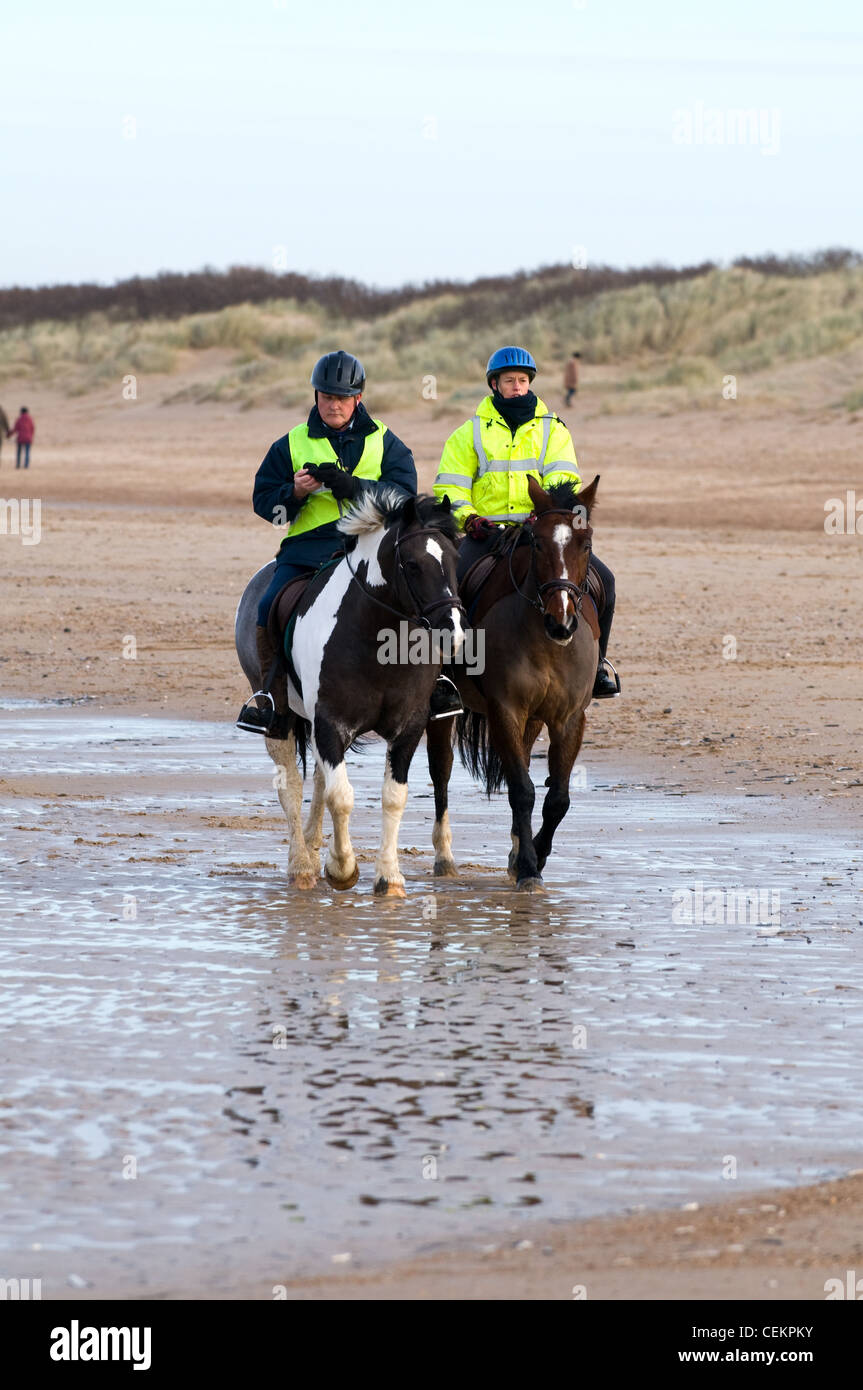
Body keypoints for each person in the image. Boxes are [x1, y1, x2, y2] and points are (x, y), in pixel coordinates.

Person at [241, 349, 462, 735]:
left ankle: (439, 683)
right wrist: (293, 492)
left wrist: (354, 487)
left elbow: (405, 498)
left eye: (342, 398)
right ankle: (271, 698)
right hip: (308, 550)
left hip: (372, 548)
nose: (333, 405)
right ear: (316, 397)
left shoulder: (386, 441)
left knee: (425, 592)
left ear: (358, 398)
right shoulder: (290, 444)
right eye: (326, 397)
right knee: (266, 605)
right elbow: (264, 503)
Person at [433, 346, 619, 699]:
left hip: (541, 529)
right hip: (487, 532)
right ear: (494, 384)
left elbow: (564, 479)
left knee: (604, 582)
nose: (517, 387)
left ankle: (597, 668)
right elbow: (450, 487)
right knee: (448, 587)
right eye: (509, 381)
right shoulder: (467, 433)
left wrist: (547, 511)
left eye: (522, 380)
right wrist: (469, 518)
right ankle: (445, 676)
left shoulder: (554, 430)